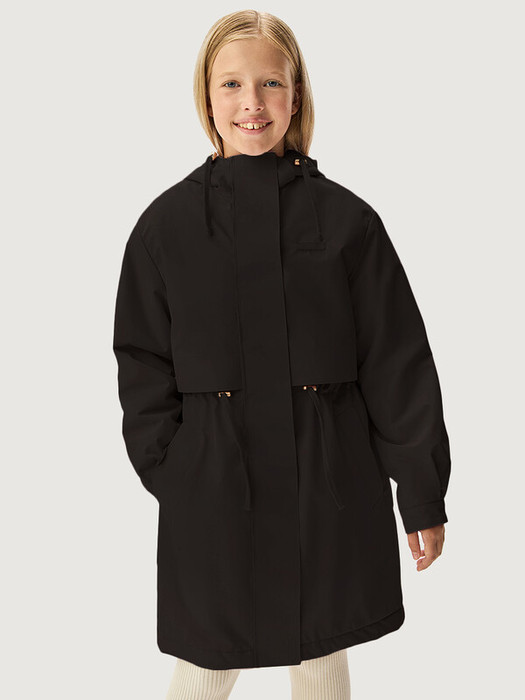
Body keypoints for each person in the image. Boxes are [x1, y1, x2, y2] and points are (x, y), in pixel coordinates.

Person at [112, 9, 451, 700]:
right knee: (208, 662)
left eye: (271, 82)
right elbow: (142, 362)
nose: (252, 102)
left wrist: (421, 492)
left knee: (321, 652)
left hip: (328, 487)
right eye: (231, 84)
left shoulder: (347, 222)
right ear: (206, 97)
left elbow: (396, 361)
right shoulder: (165, 229)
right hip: (214, 491)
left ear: (296, 96)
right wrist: (175, 469)